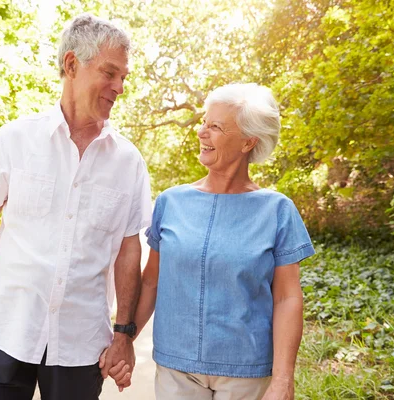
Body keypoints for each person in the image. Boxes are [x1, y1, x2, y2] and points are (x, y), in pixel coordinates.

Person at [0, 13, 152, 400]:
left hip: (81, 346)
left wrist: (123, 335)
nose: (119, 86)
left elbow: (128, 250)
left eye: (124, 77)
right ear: (72, 64)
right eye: (110, 73)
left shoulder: (129, 162)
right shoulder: (15, 139)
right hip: (5, 332)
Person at [125, 83, 316, 399]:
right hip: (176, 369)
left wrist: (283, 380)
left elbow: (287, 298)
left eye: (215, 127)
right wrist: (125, 340)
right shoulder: (171, 203)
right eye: (204, 122)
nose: (202, 132)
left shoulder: (277, 210)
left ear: (247, 142)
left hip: (246, 373)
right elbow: (151, 283)